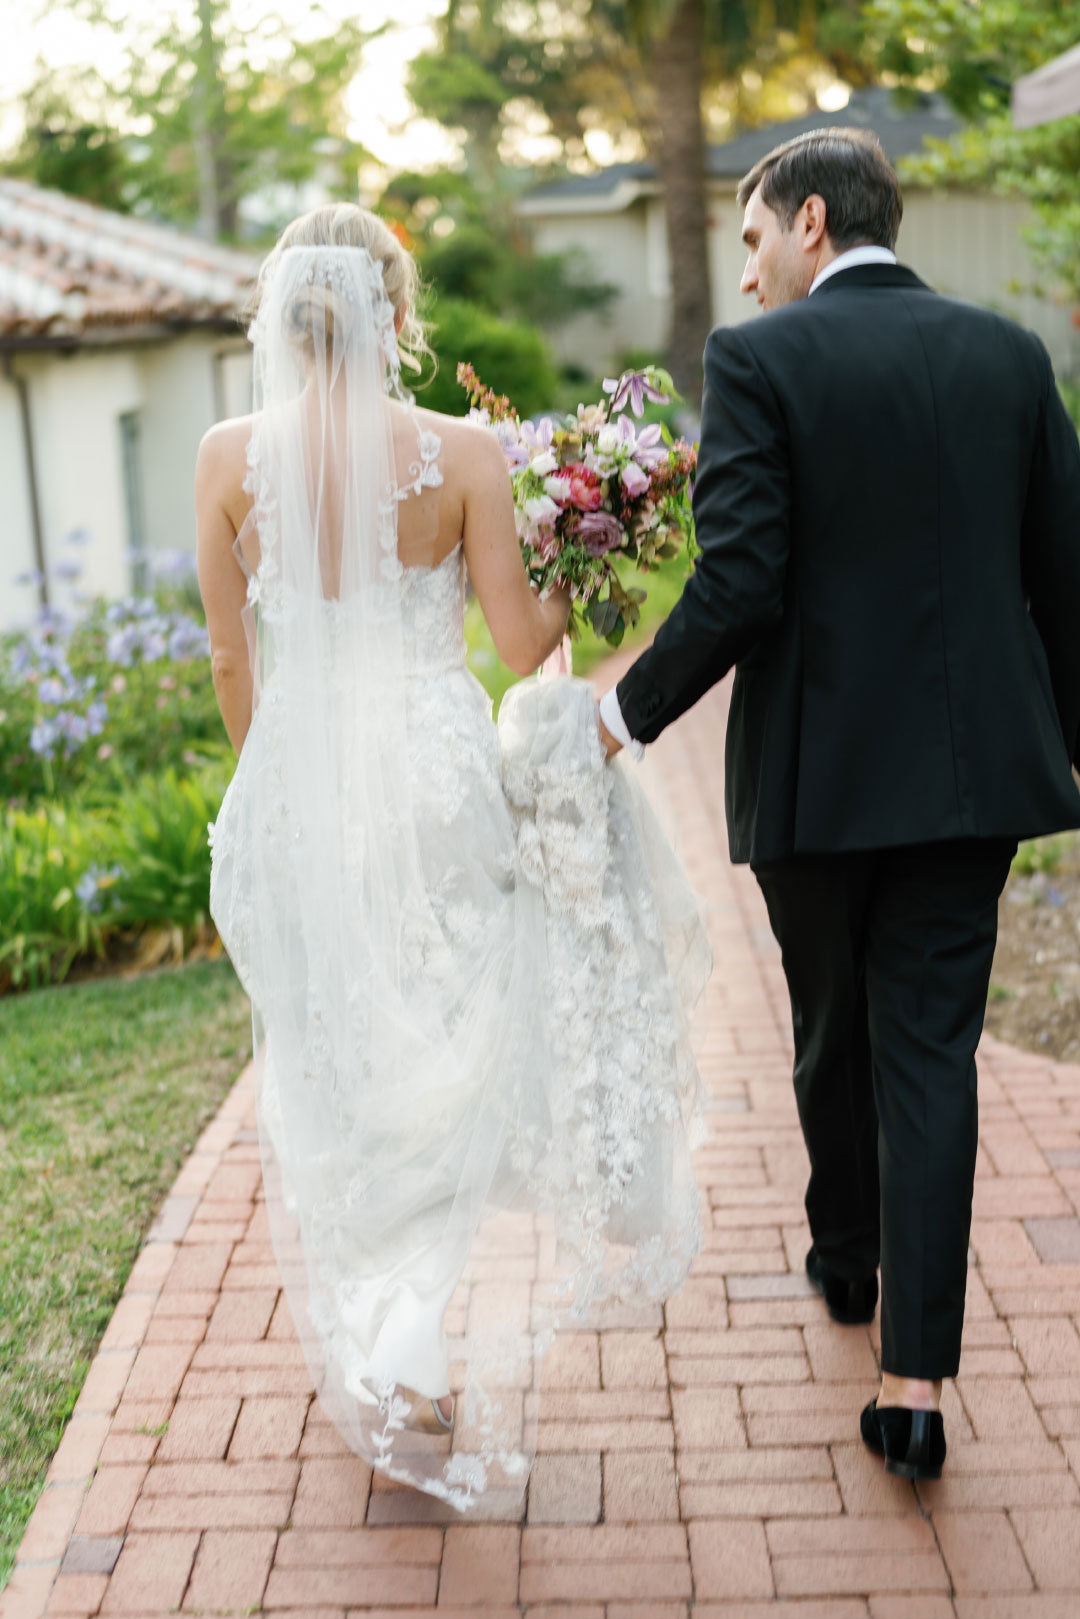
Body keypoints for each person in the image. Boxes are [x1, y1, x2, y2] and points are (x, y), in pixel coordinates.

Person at [196, 204, 710, 1512]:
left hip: (299, 782)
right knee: (446, 1039)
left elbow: (228, 661)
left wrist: (283, 784)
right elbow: (525, 638)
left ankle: (387, 1337)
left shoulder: (222, 457)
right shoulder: (465, 452)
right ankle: (411, 1339)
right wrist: (593, 546)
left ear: (284, 316)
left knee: (334, 1056)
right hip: (433, 776)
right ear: (394, 308)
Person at [600, 128, 1080, 1480]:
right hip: (976, 778)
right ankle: (915, 1385)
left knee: (829, 1029)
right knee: (928, 1050)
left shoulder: (761, 362)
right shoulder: (1009, 356)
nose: (747, 279)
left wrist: (621, 714)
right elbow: (1066, 573)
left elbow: (742, 579)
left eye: (751, 243)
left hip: (817, 783)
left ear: (811, 221)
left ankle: (848, 1254)